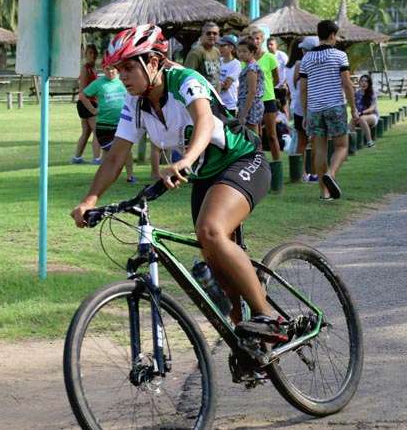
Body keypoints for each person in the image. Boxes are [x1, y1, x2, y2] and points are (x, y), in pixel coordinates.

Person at [71, 24, 285, 341]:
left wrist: (184, 161)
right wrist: (90, 200)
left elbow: (203, 121)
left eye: (129, 67)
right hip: (205, 176)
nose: (123, 76)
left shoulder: (185, 80)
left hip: (241, 160)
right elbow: (115, 157)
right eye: (119, 69)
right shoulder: (135, 102)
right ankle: (249, 344)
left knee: (210, 231)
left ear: (153, 62)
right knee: (215, 265)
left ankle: (268, 316)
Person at [299, 20, 358, 201]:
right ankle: (331, 174)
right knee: (342, 146)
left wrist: (305, 113)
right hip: (335, 107)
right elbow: (347, 84)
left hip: (315, 109)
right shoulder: (340, 55)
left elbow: (303, 89)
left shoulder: (306, 58)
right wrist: (354, 108)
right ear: (332, 35)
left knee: (320, 150)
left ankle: (324, 193)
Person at [79, 65, 136, 183]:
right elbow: (83, 96)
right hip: (104, 125)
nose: (110, 71)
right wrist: (92, 110)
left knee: (127, 150)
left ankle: (130, 176)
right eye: (107, 69)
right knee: (107, 151)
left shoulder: (123, 81)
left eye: (113, 69)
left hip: (123, 123)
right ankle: (104, 177)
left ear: (117, 69)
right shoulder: (98, 83)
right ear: (103, 70)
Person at [246, 26, 282, 161]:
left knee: (272, 135)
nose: (255, 41)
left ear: (262, 40)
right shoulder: (247, 59)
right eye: (252, 38)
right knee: (256, 136)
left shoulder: (270, 58)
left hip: (268, 99)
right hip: (253, 101)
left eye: (257, 38)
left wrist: (266, 88)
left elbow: (276, 79)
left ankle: (277, 164)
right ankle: (259, 164)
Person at [289, 36, 319, 181]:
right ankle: (313, 173)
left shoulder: (300, 64)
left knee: (302, 141)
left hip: (301, 108)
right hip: (314, 107)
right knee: (315, 141)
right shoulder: (319, 65)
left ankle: (302, 173)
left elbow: (297, 85)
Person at [71, 45, 102, 165]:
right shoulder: (85, 69)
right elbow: (82, 91)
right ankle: (97, 159)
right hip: (86, 103)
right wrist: (91, 107)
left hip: (91, 102)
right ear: (86, 55)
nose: (93, 55)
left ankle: (77, 157)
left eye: (94, 53)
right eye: (90, 53)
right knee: (97, 131)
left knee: (86, 132)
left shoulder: (92, 69)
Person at [235, 37, 265, 135]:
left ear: (252, 52)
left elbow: (252, 92)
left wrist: (244, 113)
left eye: (244, 51)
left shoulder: (251, 68)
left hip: (251, 106)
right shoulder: (247, 66)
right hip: (247, 104)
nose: (241, 54)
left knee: (252, 135)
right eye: (239, 51)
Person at [184, 22, 221, 86]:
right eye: (208, 33)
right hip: (201, 90)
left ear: (218, 36)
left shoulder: (216, 51)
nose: (212, 36)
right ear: (202, 35)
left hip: (215, 91)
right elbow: (187, 75)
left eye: (215, 33)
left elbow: (216, 76)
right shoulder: (196, 52)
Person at [217, 34, 241, 116]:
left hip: (229, 104)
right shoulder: (218, 60)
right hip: (218, 102)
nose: (219, 48)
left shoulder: (236, 64)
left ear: (231, 48)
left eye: (223, 46)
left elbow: (226, 85)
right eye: (219, 46)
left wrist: (216, 85)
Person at [353, 74, 378, 148]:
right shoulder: (356, 94)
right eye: (362, 81)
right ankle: (348, 144)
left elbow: (372, 108)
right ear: (359, 83)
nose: (364, 83)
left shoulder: (373, 93)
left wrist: (362, 113)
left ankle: (370, 142)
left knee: (362, 119)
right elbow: (354, 107)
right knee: (352, 121)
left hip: (372, 116)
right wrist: (356, 113)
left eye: (366, 81)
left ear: (369, 83)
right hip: (359, 116)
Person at [267, 36, 289, 115]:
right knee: (273, 108)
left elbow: (288, 69)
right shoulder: (266, 56)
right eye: (268, 45)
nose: (269, 46)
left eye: (271, 44)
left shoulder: (282, 55)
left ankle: (286, 121)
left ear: (276, 45)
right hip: (271, 87)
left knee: (283, 107)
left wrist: (285, 83)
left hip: (281, 86)